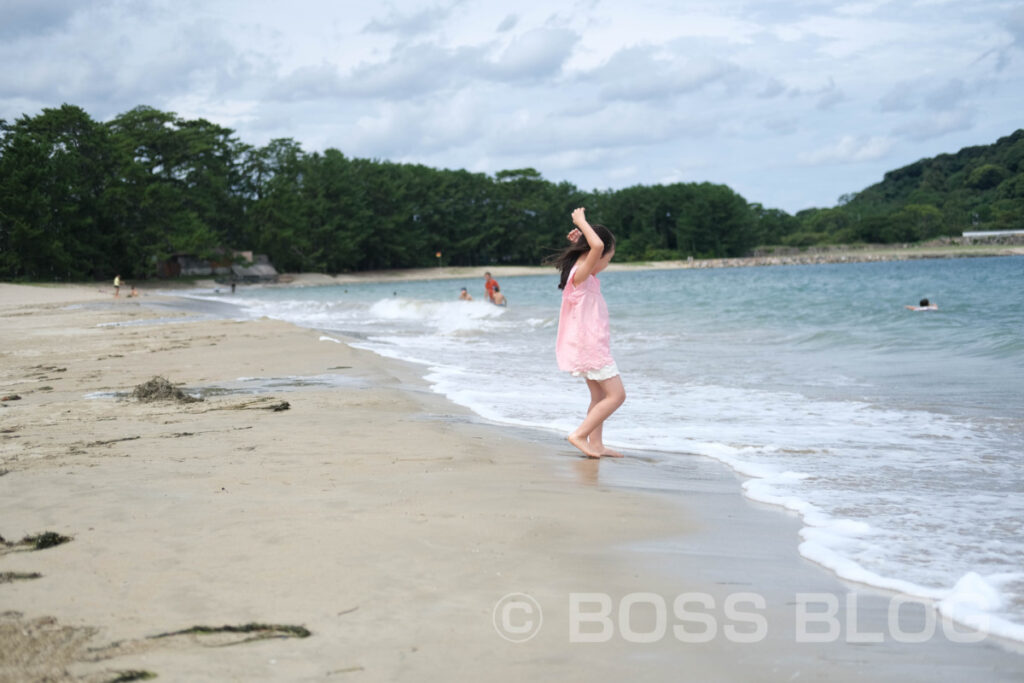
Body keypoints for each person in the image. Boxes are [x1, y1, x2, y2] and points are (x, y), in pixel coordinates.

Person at [550, 207, 625, 459]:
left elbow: (593, 248)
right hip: (590, 345)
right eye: (608, 258)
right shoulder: (580, 275)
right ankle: (579, 435)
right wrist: (582, 223)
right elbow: (597, 246)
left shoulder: (583, 273)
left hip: (589, 344)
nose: (605, 264)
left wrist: (580, 240)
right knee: (616, 396)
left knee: (599, 395)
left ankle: (596, 444)